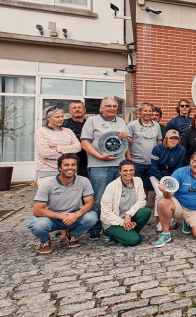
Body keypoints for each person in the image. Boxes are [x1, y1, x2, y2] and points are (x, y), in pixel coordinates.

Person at [80, 97, 130, 240]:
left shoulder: (121, 122)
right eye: (108, 106)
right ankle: (96, 228)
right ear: (101, 108)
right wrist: (99, 156)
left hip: (119, 166)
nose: (112, 108)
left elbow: (128, 143)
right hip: (99, 166)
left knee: (118, 198)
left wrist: (126, 137)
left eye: (114, 106)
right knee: (99, 198)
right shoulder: (92, 121)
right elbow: (84, 142)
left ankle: (114, 226)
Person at [27, 153, 97, 254]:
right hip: (52, 217)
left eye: (73, 165)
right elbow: (37, 210)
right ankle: (44, 241)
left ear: (77, 167)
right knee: (39, 225)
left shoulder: (84, 181)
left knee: (92, 217)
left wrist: (76, 214)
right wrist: (61, 216)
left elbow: (90, 203)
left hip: (73, 215)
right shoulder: (47, 184)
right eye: (66, 165)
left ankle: (73, 235)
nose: (70, 167)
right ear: (59, 168)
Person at [154, 151, 196, 247]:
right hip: (179, 206)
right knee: (163, 202)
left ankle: (188, 222)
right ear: (190, 161)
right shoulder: (180, 172)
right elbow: (169, 195)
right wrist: (165, 191)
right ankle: (166, 233)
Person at [100, 160, 151, 246]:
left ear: (134, 170)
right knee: (133, 241)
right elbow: (106, 213)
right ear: (120, 171)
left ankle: (130, 233)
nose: (128, 173)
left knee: (146, 211)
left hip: (128, 217)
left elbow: (141, 201)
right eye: (125, 170)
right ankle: (108, 233)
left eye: (131, 170)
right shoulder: (111, 186)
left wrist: (128, 215)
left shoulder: (138, 181)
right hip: (112, 221)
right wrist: (123, 222)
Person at [148, 129, 185, 230]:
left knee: (172, 194)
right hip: (156, 175)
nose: (173, 141)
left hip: (171, 176)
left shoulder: (181, 149)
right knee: (160, 194)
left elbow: (178, 166)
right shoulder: (157, 149)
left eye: (176, 138)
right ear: (166, 139)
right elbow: (154, 167)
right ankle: (159, 221)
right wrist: (162, 180)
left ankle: (170, 218)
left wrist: (171, 181)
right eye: (171, 138)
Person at [35, 106, 81, 180]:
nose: (61, 119)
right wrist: (69, 152)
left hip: (69, 172)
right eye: (57, 117)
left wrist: (57, 148)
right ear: (48, 118)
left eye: (62, 116)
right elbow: (45, 153)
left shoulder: (68, 131)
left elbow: (78, 147)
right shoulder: (41, 132)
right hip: (48, 173)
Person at [127, 102, 162, 193]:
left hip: (151, 164)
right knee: (134, 189)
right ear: (139, 112)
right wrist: (129, 160)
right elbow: (126, 144)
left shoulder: (157, 125)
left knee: (147, 190)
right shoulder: (132, 125)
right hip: (136, 163)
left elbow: (159, 142)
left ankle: (144, 207)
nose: (148, 113)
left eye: (150, 111)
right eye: (145, 111)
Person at [62, 100, 88, 177]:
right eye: (74, 108)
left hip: (87, 162)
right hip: (70, 162)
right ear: (70, 111)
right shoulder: (64, 124)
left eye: (79, 107)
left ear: (84, 110)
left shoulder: (90, 124)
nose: (77, 109)